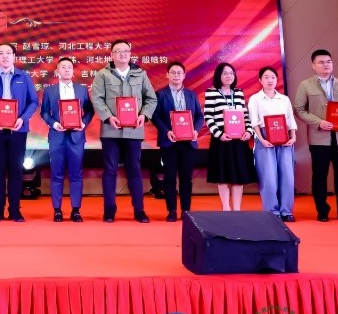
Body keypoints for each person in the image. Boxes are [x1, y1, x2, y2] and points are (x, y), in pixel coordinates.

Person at [90, 40, 158, 223]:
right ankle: (109, 210)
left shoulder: (140, 74)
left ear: (130, 54)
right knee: (110, 170)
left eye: (126, 50)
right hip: (110, 130)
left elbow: (151, 99)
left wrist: (144, 115)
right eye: (118, 51)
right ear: (111, 55)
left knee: (134, 169)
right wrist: (108, 117)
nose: (123, 54)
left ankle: (139, 210)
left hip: (134, 131)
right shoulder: (102, 75)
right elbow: (97, 99)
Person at [292, 49, 338, 223]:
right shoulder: (306, 85)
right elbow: (299, 109)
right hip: (319, 138)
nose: (326, 65)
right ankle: (322, 210)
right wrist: (318, 122)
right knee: (320, 175)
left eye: (329, 61)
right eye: (321, 62)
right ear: (313, 65)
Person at [0, 42, 38, 222]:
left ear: (14, 56)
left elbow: (33, 101)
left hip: (18, 130)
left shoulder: (24, 77)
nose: (5, 56)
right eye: (1, 53)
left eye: (8, 53)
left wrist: (22, 119)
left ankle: (15, 210)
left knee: (16, 170)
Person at [39, 56, 93, 222]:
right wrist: (54, 124)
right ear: (57, 71)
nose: (67, 69)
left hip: (76, 137)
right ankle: (57, 210)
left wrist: (83, 123)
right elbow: (44, 112)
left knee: (76, 174)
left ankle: (76, 210)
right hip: (57, 137)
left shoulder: (82, 89)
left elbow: (89, 111)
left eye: (69, 67)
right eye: (63, 67)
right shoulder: (50, 91)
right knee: (57, 174)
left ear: (73, 71)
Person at [151, 61, 205, 222]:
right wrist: (166, 131)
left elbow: (199, 116)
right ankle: (172, 211)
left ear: (184, 75)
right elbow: (155, 116)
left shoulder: (191, 94)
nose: (176, 75)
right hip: (169, 142)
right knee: (169, 177)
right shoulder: (161, 94)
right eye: (173, 72)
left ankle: (186, 211)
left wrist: (196, 130)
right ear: (167, 75)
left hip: (188, 143)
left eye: (179, 73)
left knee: (186, 178)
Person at [204, 61, 256, 210]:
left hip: (239, 140)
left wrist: (249, 131)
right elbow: (208, 116)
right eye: (225, 73)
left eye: (231, 73)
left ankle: (237, 209)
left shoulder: (238, 92)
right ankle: (226, 209)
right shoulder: (212, 92)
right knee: (223, 177)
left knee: (238, 177)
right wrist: (219, 134)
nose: (229, 76)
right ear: (219, 75)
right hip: (221, 140)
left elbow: (245, 115)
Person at [248, 66, 298, 221]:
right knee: (268, 177)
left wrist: (293, 136)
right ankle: (272, 211)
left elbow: (290, 119)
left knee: (287, 175)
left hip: (285, 139)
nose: (270, 80)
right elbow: (254, 122)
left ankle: (286, 211)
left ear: (277, 80)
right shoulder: (255, 99)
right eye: (266, 77)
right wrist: (261, 140)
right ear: (260, 80)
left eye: (273, 77)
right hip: (264, 139)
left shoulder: (284, 99)